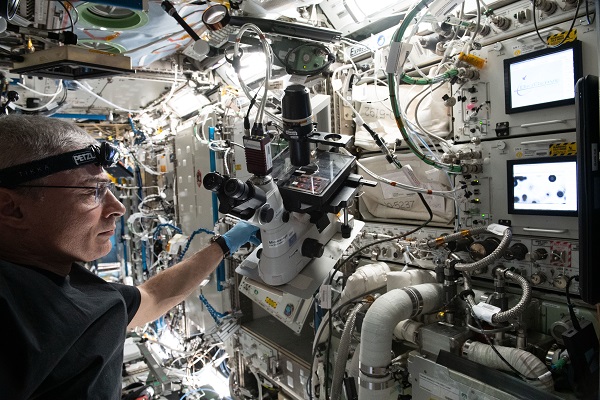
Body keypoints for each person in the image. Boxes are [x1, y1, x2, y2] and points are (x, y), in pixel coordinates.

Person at [0, 114, 259, 399]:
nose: (118, 208)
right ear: (10, 208)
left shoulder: (71, 285)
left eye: (108, 188)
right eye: (92, 191)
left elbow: (154, 296)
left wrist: (225, 244)